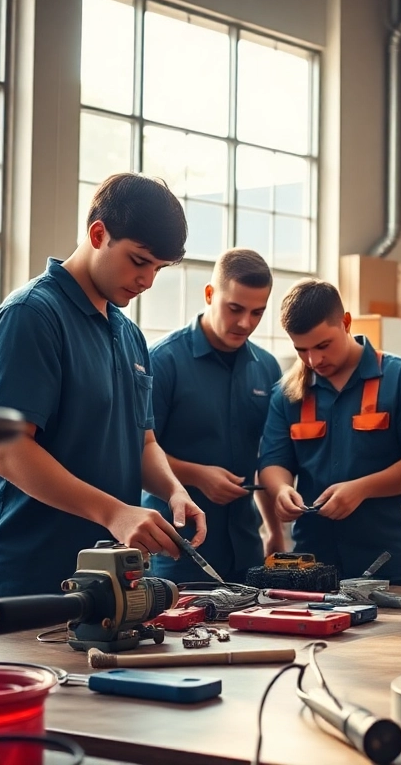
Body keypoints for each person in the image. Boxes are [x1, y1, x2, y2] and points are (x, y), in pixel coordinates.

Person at [0, 173, 205, 599]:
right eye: (139, 260)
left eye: (158, 269)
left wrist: (174, 490)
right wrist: (115, 513)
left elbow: (144, 442)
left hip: (103, 575)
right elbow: (7, 451)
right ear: (98, 234)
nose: (147, 280)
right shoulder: (30, 317)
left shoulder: (129, 335)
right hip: (25, 573)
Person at [258, 279, 401, 584]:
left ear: (346, 322)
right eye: (301, 349)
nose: (313, 360)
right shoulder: (288, 393)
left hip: (388, 558)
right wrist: (280, 490)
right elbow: (273, 462)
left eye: (323, 345)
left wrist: (362, 489)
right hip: (313, 561)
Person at [142, 248, 284, 584]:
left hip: (247, 550)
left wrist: (274, 531)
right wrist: (198, 476)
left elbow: (266, 458)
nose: (245, 323)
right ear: (209, 294)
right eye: (234, 308)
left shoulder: (267, 367)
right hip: (177, 550)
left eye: (257, 312)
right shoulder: (160, 362)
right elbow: (135, 452)